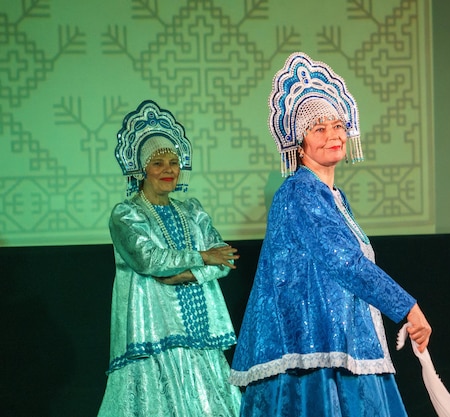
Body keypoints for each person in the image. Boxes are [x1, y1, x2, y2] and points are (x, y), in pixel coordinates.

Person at [229, 52, 432, 417]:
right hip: (310, 352)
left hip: (338, 340)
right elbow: (346, 262)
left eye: (338, 125)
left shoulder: (334, 196)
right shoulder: (299, 192)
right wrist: (407, 307)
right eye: (319, 128)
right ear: (300, 142)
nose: (333, 135)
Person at [97, 100, 242, 416]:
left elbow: (225, 257)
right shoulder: (127, 214)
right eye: (158, 163)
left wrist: (187, 272)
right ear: (141, 169)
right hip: (154, 331)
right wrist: (203, 257)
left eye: (174, 162)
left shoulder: (192, 210)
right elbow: (150, 260)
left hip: (200, 335)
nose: (168, 170)